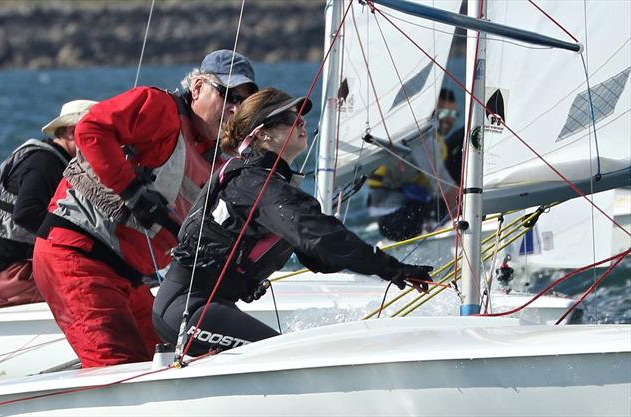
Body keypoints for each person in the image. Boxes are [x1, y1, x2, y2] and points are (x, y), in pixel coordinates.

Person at [152, 88, 434, 356]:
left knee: (283, 354)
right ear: (261, 134)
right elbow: (320, 237)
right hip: (186, 310)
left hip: (204, 307)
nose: (301, 121)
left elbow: (319, 254)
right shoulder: (255, 184)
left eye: (301, 116)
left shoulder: (268, 184)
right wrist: (391, 268)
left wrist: (358, 257)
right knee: (284, 357)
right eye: (289, 117)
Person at [32, 50, 259, 368]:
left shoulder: (213, 157)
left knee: (165, 362)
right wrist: (132, 190)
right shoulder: (160, 108)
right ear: (197, 88)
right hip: (77, 257)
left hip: (125, 276)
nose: (234, 108)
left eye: (244, 102)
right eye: (227, 95)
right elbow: (90, 130)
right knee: (119, 367)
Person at [0, 100, 96, 308]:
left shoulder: (59, 163)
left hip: (17, 270)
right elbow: (26, 214)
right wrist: (81, 243)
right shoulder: (43, 163)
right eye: (96, 134)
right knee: (101, 284)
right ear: (72, 132)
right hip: (3, 278)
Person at [365, 88, 458, 241]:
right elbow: (443, 185)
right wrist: (474, 214)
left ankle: (431, 224)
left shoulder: (435, 139)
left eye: (453, 115)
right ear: (432, 112)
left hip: (405, 205)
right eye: (443, 114)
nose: (449, 120)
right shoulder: (422, 138)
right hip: (395, 213)